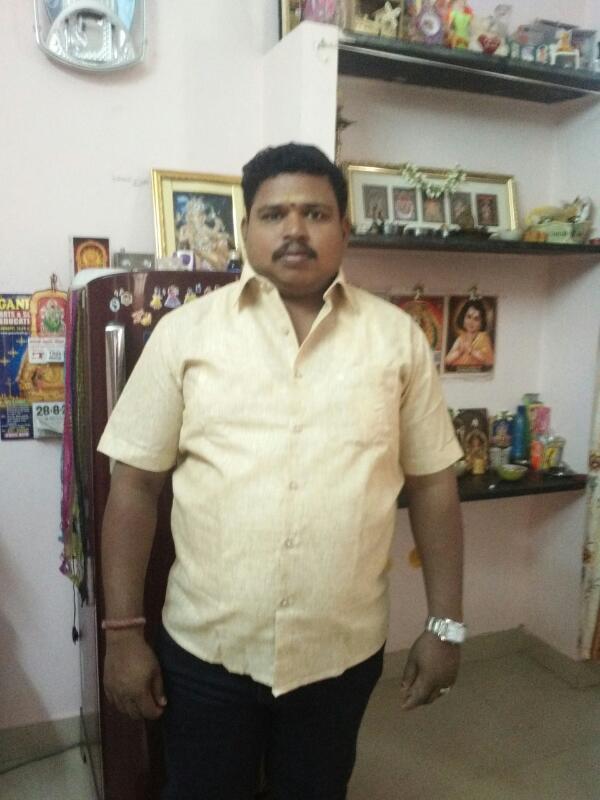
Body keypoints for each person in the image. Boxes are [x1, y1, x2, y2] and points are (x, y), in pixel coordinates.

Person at [99, 142, 465, 800]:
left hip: (340, 656)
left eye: (315, 214)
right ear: (246, 229)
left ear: (345, 228)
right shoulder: (186, 334)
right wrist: (122, 634)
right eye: (274, 214)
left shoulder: (397, 340)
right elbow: (134, 487)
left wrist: (446, 624)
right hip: (207, 653)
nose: (294, 229)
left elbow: (435, 484)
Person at [445, 297, 494, 369]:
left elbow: (489, 361)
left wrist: (472, 351)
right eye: (468, 317)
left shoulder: (483, 338)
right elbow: (447, 361)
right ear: (463, 318)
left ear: (481, 323)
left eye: (476, 319)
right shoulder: (461, 338)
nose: (471, 322)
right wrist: (459, 352)